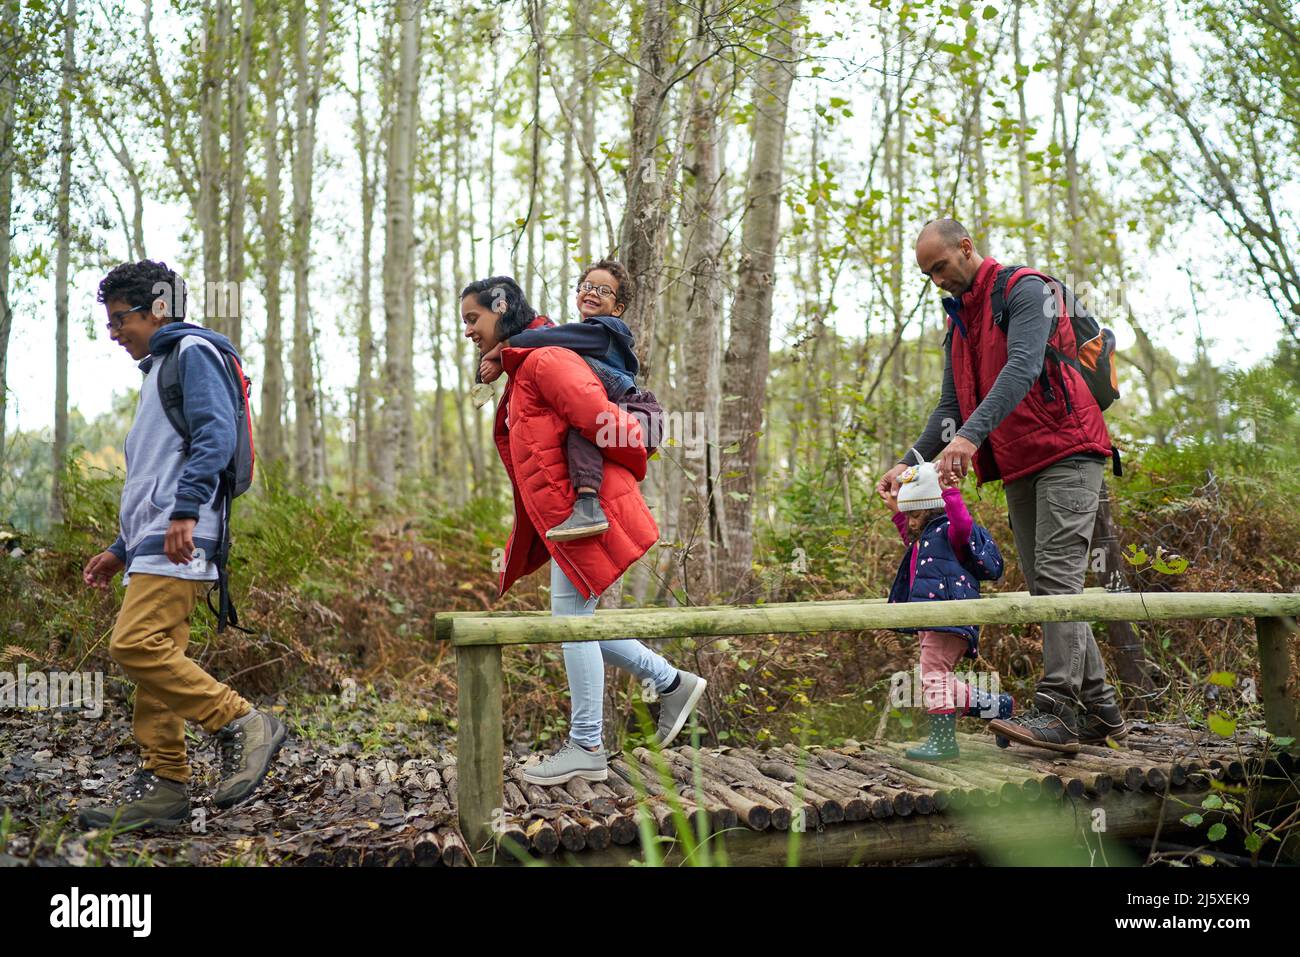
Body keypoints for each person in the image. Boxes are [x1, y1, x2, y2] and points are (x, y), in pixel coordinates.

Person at [877, 218, 1127, 754]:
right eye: (927, 274)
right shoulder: (959, 324)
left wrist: (968, 439)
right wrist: (907, 464)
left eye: (940, 267)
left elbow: (1023, 366)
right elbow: (950, 407)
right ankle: (1100, 707)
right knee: (1044, 586)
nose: (937, 280)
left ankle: (1059, 709)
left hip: (1069, 450)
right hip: (1019, 461)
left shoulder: (1024, 290)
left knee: (1059, 578)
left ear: (966, 248)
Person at [462, 275, 706, 786]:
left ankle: (588, 745)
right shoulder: (532, 359)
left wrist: (630, 457)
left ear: (502, 311)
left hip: (587, 516)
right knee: (576, 621)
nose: (467, 331)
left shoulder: (547, 359)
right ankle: (671, 683)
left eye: (473, 319)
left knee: (572, 624)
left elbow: (602, 421)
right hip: (572, 519)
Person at [78, 260, 285, 830]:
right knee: (156, 667)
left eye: (122, 319)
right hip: (157, 538)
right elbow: (153, 473)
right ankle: (165, 788)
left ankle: (242, 722)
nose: (115, 332)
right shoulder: (160, 368)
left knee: (134, 645)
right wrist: (122, 545)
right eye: (110, 322)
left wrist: (187, 511)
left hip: (181, 536)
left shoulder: (193, 354)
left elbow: (215, 435)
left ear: (158, 309)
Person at [479, 259, 656, 542]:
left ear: (618, 309)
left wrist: (504, 348)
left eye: (603, 290)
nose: (593, 292)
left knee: (583, 425)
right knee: (581, 428)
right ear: (577, 294)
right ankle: (594, 513)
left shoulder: (605, 330)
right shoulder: (582, 338)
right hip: (626, 415)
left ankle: (588, 507)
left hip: (638, 412)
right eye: (587, 286)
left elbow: (552, 337)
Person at [885, 456, 1011, 760]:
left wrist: (950, 493)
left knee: (933, 675)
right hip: (929, 618)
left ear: (933, 508)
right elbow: (911, 535)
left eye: (915, 514)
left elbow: (963, 526)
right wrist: (895, 506)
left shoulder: (950, 533)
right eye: (908, 515)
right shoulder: (925, 538)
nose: (910, 522)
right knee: (938, 677)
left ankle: (943, 743)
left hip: (948, 615)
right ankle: (999, 707)